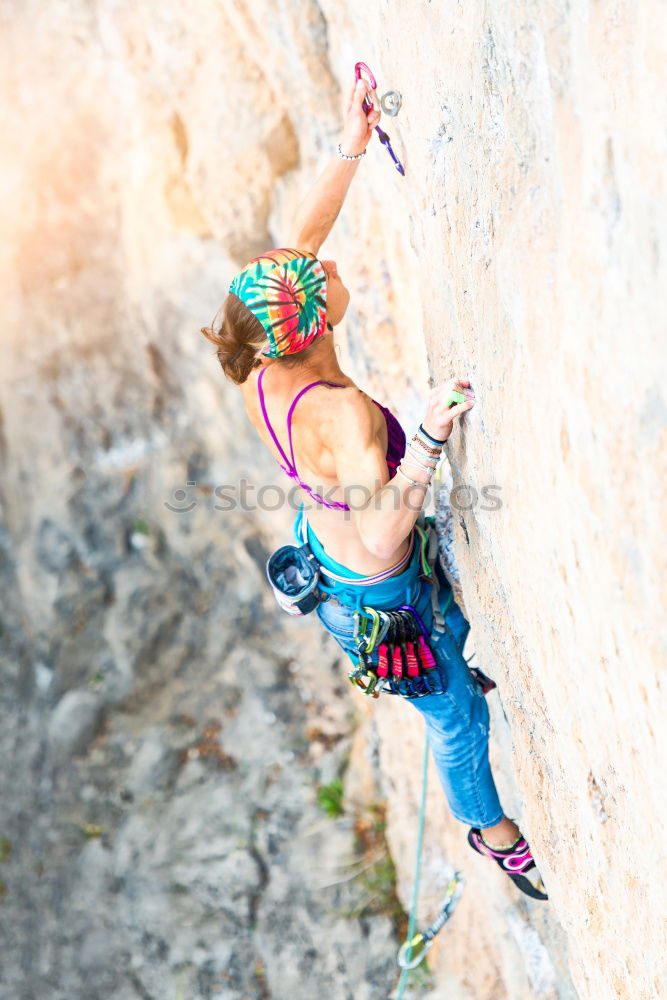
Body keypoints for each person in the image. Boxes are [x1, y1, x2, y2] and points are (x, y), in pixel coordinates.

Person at [200, 78, 547, 901]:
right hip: (374, 586)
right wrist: (426, 438)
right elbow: (390, 534)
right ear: (320, 326)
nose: (328, 265)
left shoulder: (261, 360)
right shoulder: (345, 417)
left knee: (449, 643)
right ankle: (492, 834)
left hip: (329, 551)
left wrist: (351, 144)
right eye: (323, 279)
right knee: (456, 718)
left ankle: (455, 640)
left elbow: (302, 244)